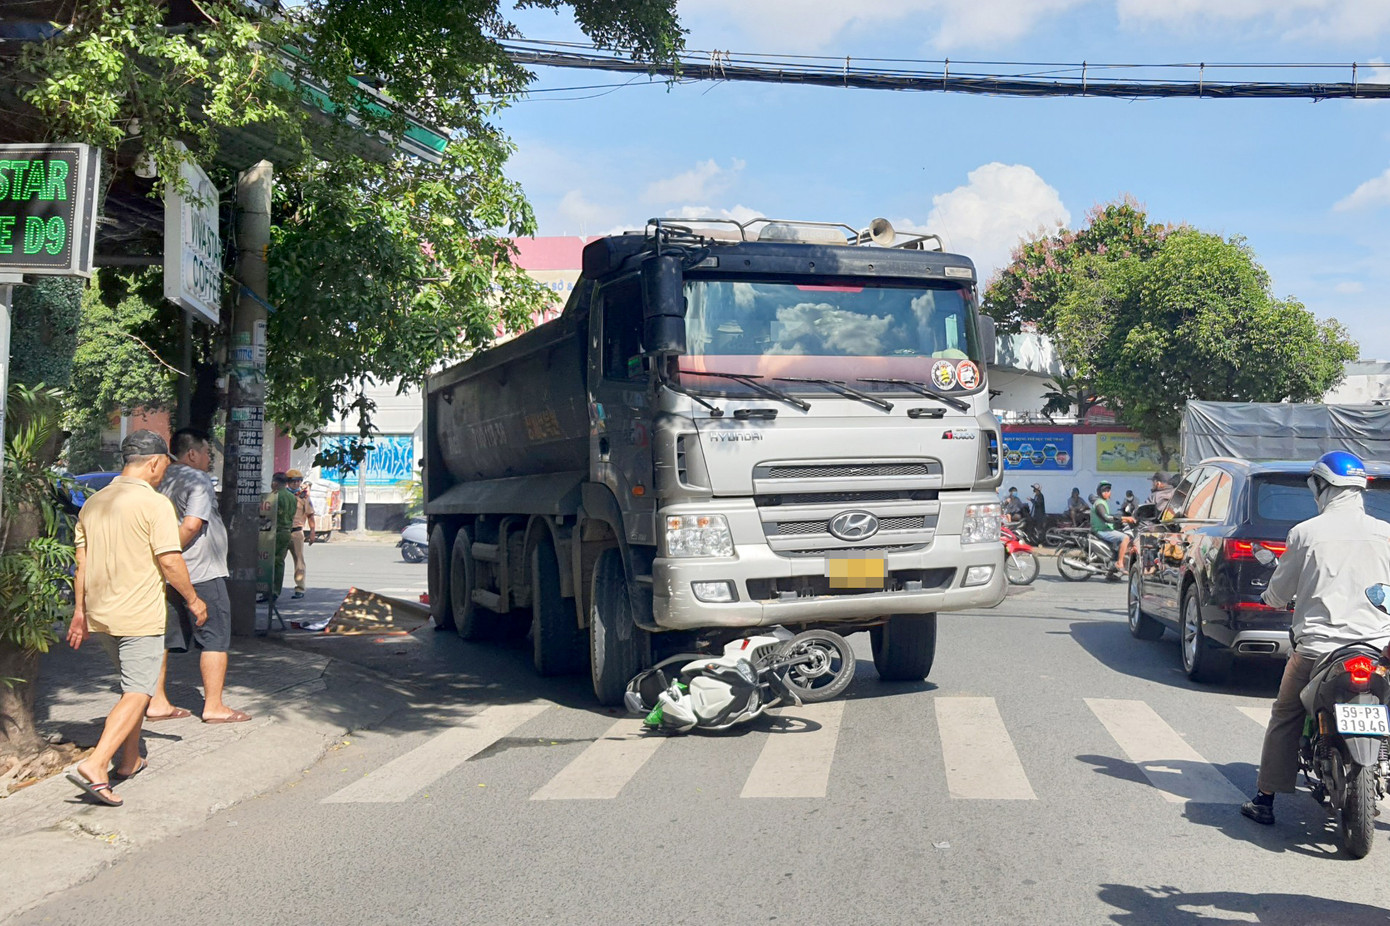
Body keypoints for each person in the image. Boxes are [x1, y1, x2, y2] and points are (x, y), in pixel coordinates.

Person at [1241, 451, 1390, 826]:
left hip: (1319, 650)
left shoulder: (1305, 533)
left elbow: (1278, 591)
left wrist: (1271, 599)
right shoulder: (1386, 533)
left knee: (1286, 713)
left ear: (1321, 487)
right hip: (1378, 651)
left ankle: (1265, 798)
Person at [63, 431, 207, 806]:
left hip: (102, 613)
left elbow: (81, 564)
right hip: (139, 613)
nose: (163, 473)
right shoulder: (154, 504)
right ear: (155, 462)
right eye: (164, 466)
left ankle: (129, 761)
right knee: (139, 690)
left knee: (132, 688)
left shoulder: (94, 503)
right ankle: (97, 764)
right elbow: (170, 559)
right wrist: (193, 600)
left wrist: (79, 612)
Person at [145, 428, 251, 725]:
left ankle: (158, 703)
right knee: (215, 637)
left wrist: (163, 559)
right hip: (201, 571)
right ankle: (214, 706)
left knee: (163, 639)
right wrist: (169, 551)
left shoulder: (159, 480)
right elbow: (192, 525)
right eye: (207, 453)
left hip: (166, 575)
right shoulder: (197, 479)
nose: (208, 459)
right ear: (192, 453)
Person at [1090, 481, 1135, 571]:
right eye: (1104, 491)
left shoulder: (1102, 502)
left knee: (1116, 544)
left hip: (1104, 528)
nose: (1106, 492)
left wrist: (1124, 518)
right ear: (1099, 492)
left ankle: (1110, 572)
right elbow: (1106, 518)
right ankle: (1119, 562)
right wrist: (1125, 519)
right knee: (1125, 538)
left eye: (1108, 490)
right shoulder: (1099, 504)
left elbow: (1109, 516)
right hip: (1101, 530)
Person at [286, 469, 315, 600]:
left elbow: (310, 515)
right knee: (277, 561)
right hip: (282, 531)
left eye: (298, 481)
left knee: (299, 561)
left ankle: (300, 588)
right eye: (293, 481)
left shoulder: (303, 497)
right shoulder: (282, 495)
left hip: (296, 531)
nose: (296, 483)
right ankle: (272, 590)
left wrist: (312, 532)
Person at [270, 471, 297, 601]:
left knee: (271, 561)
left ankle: (270, 589)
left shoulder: (275, 496)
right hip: (287, 531)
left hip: (275, 532)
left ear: (275, 483)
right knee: (280, 562)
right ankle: (276, 590)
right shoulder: (292, 497)